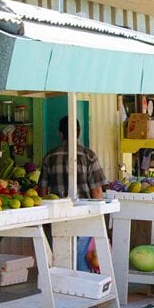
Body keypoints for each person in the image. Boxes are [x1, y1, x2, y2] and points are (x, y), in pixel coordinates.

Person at [39, 117, 107, 272]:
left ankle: (64, 289)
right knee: (82, 257)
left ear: (60, 134)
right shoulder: (89, 156)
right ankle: (83, 291)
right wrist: (100, 219)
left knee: (60, 256)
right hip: (83, 214)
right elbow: (97, 191)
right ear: (78, 132)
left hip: (57, 215)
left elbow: (42, 191)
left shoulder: (49, 157)